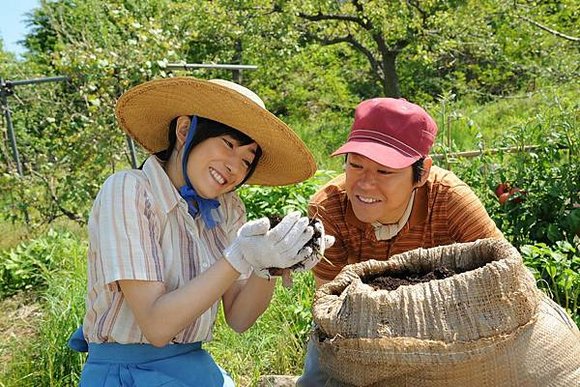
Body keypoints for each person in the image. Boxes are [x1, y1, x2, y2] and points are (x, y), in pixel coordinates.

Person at [68, 77, 333, 386]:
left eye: (247, 160)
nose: (235, 166)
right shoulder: (130, 191)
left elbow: (240, 318)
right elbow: (156, 325)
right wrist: (238, 256)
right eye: (228, 144)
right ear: (185, 131)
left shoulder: (228, 209)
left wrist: (268, 266)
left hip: (193, 366)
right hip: (127, 373)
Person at [297, 97, 504, 386]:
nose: (365, 183)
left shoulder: (449, 200)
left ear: (421, 172)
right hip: (357, 325)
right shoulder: (328, 207)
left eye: (384, 171)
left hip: (442, 325)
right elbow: (331, 304)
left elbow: (503, 271)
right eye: (356, 165)